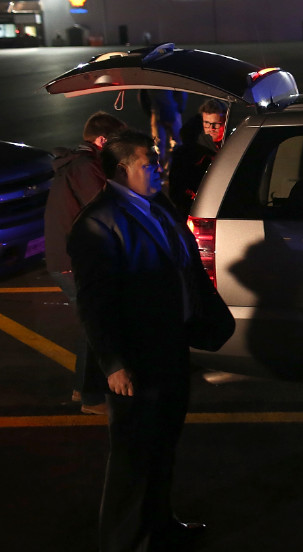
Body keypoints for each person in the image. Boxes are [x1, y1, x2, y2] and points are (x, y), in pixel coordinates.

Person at [68, 130, 215, 551]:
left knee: (163, 446)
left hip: (171, 345)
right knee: (133, 457)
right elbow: (95, 305)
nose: (158, 167)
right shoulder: (96, 224)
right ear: (121, 170)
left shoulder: (158, 204)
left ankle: (160, 526)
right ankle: (125, 542)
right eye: (149, 162)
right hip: (136, 358)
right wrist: (112, 363)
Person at [44, 111, 127, 415]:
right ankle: (92, 397)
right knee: (97, 323)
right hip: (72, 260)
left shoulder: (82, 163)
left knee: (92, 323)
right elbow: (105, 206)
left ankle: (85, 389)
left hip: (69, 257)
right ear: (102, 140)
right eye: (117, 144)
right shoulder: (84, 167)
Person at [168, 99, 226, 218]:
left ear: (225, 121)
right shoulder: (190, 152)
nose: (211, 128)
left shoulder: (230, 143)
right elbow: (177, 189)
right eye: (206, 123)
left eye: (216, 123)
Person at [145, 90, 187, 171]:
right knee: (161, 145)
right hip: (166, 110)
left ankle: (172, 169)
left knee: (172, 144)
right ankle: (161, 171)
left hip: (167, 110)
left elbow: (143, 96)